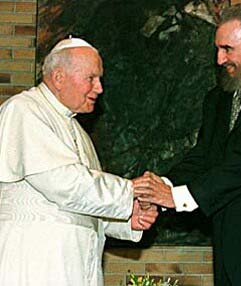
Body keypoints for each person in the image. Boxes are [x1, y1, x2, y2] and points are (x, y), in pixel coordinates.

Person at [133, 4, 241, 286]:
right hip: (227, 254)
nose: (220, 59)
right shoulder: (218, 98)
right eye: (217, 49)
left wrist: (176, 197)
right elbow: (203, 157)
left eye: (227, 49)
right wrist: (160, 185)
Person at [0, 37, 158, 286]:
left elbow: (83, 204)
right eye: (91, 78)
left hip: (76, 266)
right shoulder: (24, 110)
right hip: (36, 263)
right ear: (59, 77)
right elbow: (64, 183)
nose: (99, 89)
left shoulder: (79, 132)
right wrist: (130, 191)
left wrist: (128, 219)